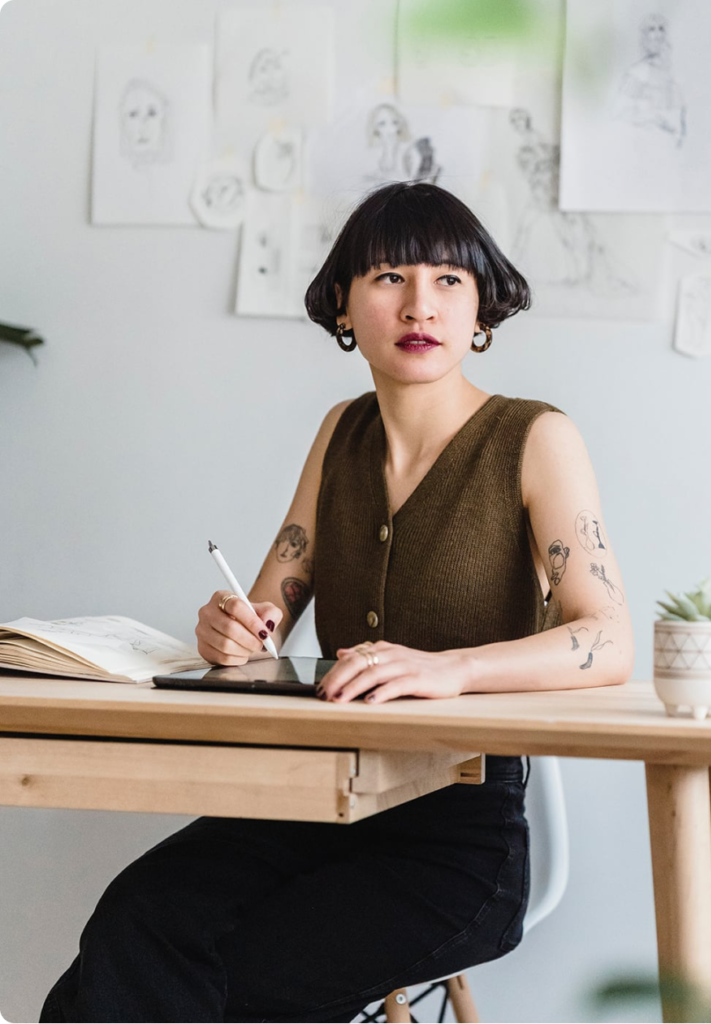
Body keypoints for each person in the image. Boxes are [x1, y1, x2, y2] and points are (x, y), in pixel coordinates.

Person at [41, 181, 634, 1024]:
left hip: (455, 842)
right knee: (136, 921)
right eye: (390, 277)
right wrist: (229, 632)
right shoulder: (340, 431)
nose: (419, 303)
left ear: (481, 312)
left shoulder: (535, 438)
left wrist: (447, 671)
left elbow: (608, 639)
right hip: (307, 799)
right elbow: (262, 622)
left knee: (235, 983)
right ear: (345, 306)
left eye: (448, 281)